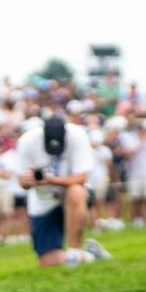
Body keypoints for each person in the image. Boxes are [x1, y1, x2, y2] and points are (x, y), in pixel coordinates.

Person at [16, 115, 112, 268]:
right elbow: (22, 182)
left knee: (75, 191)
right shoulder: (27, 142)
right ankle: (88, 255)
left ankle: (74, 252)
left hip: (74, 196)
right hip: (43, 201)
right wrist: (27, 182)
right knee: (47, 262)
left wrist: (52, 180)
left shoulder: (78, 135)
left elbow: (81, 178)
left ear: (65, 134)